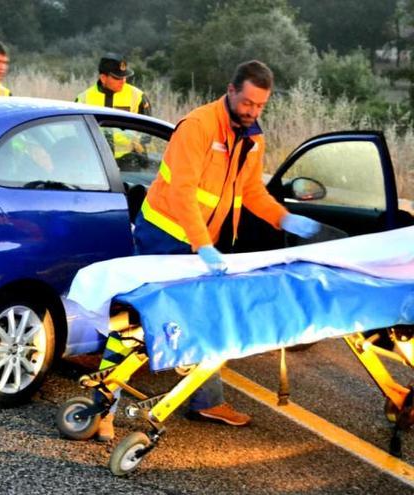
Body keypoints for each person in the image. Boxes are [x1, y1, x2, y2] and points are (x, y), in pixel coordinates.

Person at [89, 60, 321, 441]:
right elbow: (182, 193)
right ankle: (104, 406)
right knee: (134, 320)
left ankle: (207, 401)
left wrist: (283, 219)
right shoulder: (197, 127)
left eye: (260, 106)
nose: (252, 111)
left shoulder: (252, 137)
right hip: (163, 236)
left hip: (201, 243)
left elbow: (250, 193)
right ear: (230, 91)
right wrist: (204, 246)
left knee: (208, 316)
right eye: (247, 103)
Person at [75, 53, 151, 115]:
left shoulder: (138, 97)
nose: (123, 81)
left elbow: (148, 130)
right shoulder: (83, 100)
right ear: (103, 78)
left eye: (124, 77)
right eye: (118, 78)